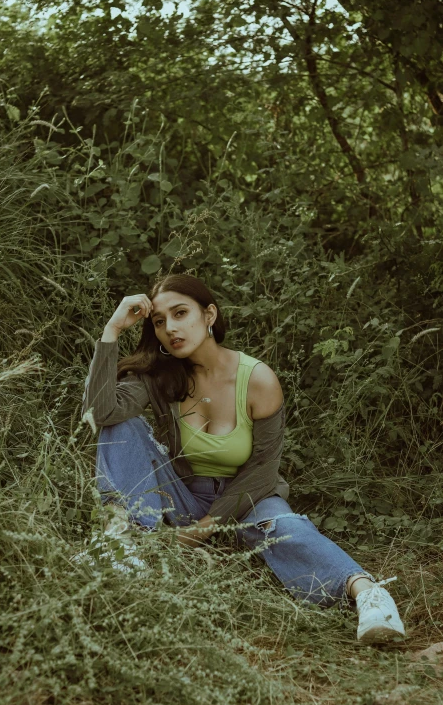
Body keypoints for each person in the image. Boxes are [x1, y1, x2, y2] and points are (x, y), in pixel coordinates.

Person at [81, 273, 406, 643]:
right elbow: (99, 414)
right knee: (122, 427)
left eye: (181, 313)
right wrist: (112, 330)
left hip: (247, 498)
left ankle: (369, 596)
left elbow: (262, 471)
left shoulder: (257, 379)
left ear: (209, 315)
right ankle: (125, 546)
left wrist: (203, 529)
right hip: (180, 494)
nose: (170, 328)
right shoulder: (159, 376)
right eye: (159, 321)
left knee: (287, 527)